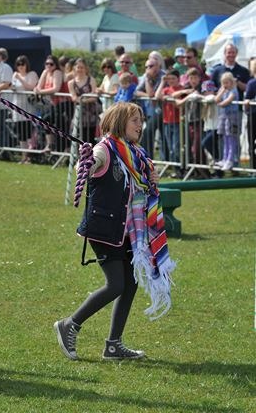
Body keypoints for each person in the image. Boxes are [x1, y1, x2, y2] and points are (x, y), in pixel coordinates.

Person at [55, 101, 174, 361]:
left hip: (128, 230)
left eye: (140, 119)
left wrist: (151, 180)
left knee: (129, 283)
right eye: (134, 120)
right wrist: (86, 163)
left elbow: (139, 187)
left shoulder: (135, 153)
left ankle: (113, 345)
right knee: (116, 285)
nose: (140, 125)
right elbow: (89, 166)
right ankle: (69, 325)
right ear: (120, 121)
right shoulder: (105, 149)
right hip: (105, 229)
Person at [136, 52, 166, 158]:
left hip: (162, 110)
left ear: (158, 66)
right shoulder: (146, 76)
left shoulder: (163, 76)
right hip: (151, 110)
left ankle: (164, 160)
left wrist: (149, 94)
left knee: (161, 135)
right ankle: (149, 158)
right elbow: (137, 92)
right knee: (149, 134)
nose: (148, 68)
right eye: (147, 66)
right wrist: (148, 95)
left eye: (151, 66)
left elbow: (152, 94)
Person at [10, 55, 39, 163]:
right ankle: (24, 156)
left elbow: (30, 87)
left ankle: (30, 156)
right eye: (18, 64)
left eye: (22, 64)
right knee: (21, 134)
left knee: (29, 134)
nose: (20, 66)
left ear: (27, 64)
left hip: (28, 109)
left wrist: (20, 78)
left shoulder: (32, 74)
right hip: (17, 107)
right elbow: (12, 86)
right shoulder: (15, 75)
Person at [175, 68, 205, 169]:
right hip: (190, 121)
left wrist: (198, 96)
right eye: (191, 78)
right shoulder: (187, 89)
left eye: (195, 78)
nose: (193, 80)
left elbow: (208, 97)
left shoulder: (202, 88)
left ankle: (202, 169)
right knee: (191, 147)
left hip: (200, 121)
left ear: (199, 78)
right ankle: (197, 170)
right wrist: (188, 94)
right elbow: (175, 99)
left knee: (197, 147)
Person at [34, 54, 64, 152]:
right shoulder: (46, 72)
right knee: (45, 121)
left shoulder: (57, 72)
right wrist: (37, 90)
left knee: (61, 127)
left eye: (51, 64)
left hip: (61, 104)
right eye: (47, 64)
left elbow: (56, 88)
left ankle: (62, 149)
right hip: (49, 104)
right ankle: (50, 145)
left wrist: (40, 92)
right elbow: (39, 86)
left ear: (56, 65)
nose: (48, 66)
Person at [68, 58, 100, 143]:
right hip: (79, 113)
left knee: (90, 138)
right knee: (79, 138)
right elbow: (74, 98)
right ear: (74, 68)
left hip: (91, 114)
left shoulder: (91, 80)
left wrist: (82, 99)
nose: (80, 69)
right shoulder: (71, 83)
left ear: (85, 68)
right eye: (78, 67)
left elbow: (94, 97)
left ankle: (92, 155)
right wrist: (84, 99)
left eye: (82, 67)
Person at [214, 72, 241, 171]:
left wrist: (220, 104)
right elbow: (216, 99)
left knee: (231, 138)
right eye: (223, 83)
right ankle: (224, 158)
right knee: (225, 138)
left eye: (227, 83)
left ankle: (230, 159)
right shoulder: (224, 90)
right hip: (224, 115)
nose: (225, 85)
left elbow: (228, 101)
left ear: (232, 82)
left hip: (232, 116)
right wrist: (221, 91)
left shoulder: (234, 91)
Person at [243, 57, 256, 169]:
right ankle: (253, 167)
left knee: (251, 143)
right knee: (251, 143)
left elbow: (247, 99)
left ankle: (253, 168)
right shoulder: (251, 83)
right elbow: (247, 99)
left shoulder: (251, 83)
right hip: (253, 115)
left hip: (253, 115)